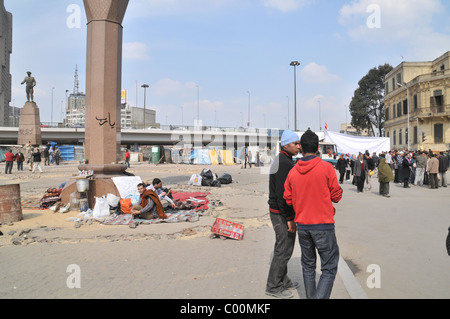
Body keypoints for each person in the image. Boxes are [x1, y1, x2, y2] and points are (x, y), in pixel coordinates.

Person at [283, 129, 343, 299]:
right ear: (317, 148)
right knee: (329, 267)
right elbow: (336, 196)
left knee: (308, 266)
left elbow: (287, 198)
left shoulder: (293, 172)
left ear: (301, 148)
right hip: (323, 225)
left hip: (303, 226)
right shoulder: (326, 168)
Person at [266, 130, 300, 299]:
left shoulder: (285, 160)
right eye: (296, 144)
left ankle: (283, 279)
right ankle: (273, 286)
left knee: (286, 248)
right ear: (286, 145)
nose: (299, 147)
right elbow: (281, 195)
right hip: (280, 214)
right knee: (283, 249)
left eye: (299, 144)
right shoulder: (283, 163)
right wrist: (289, 218)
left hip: (280, 212)